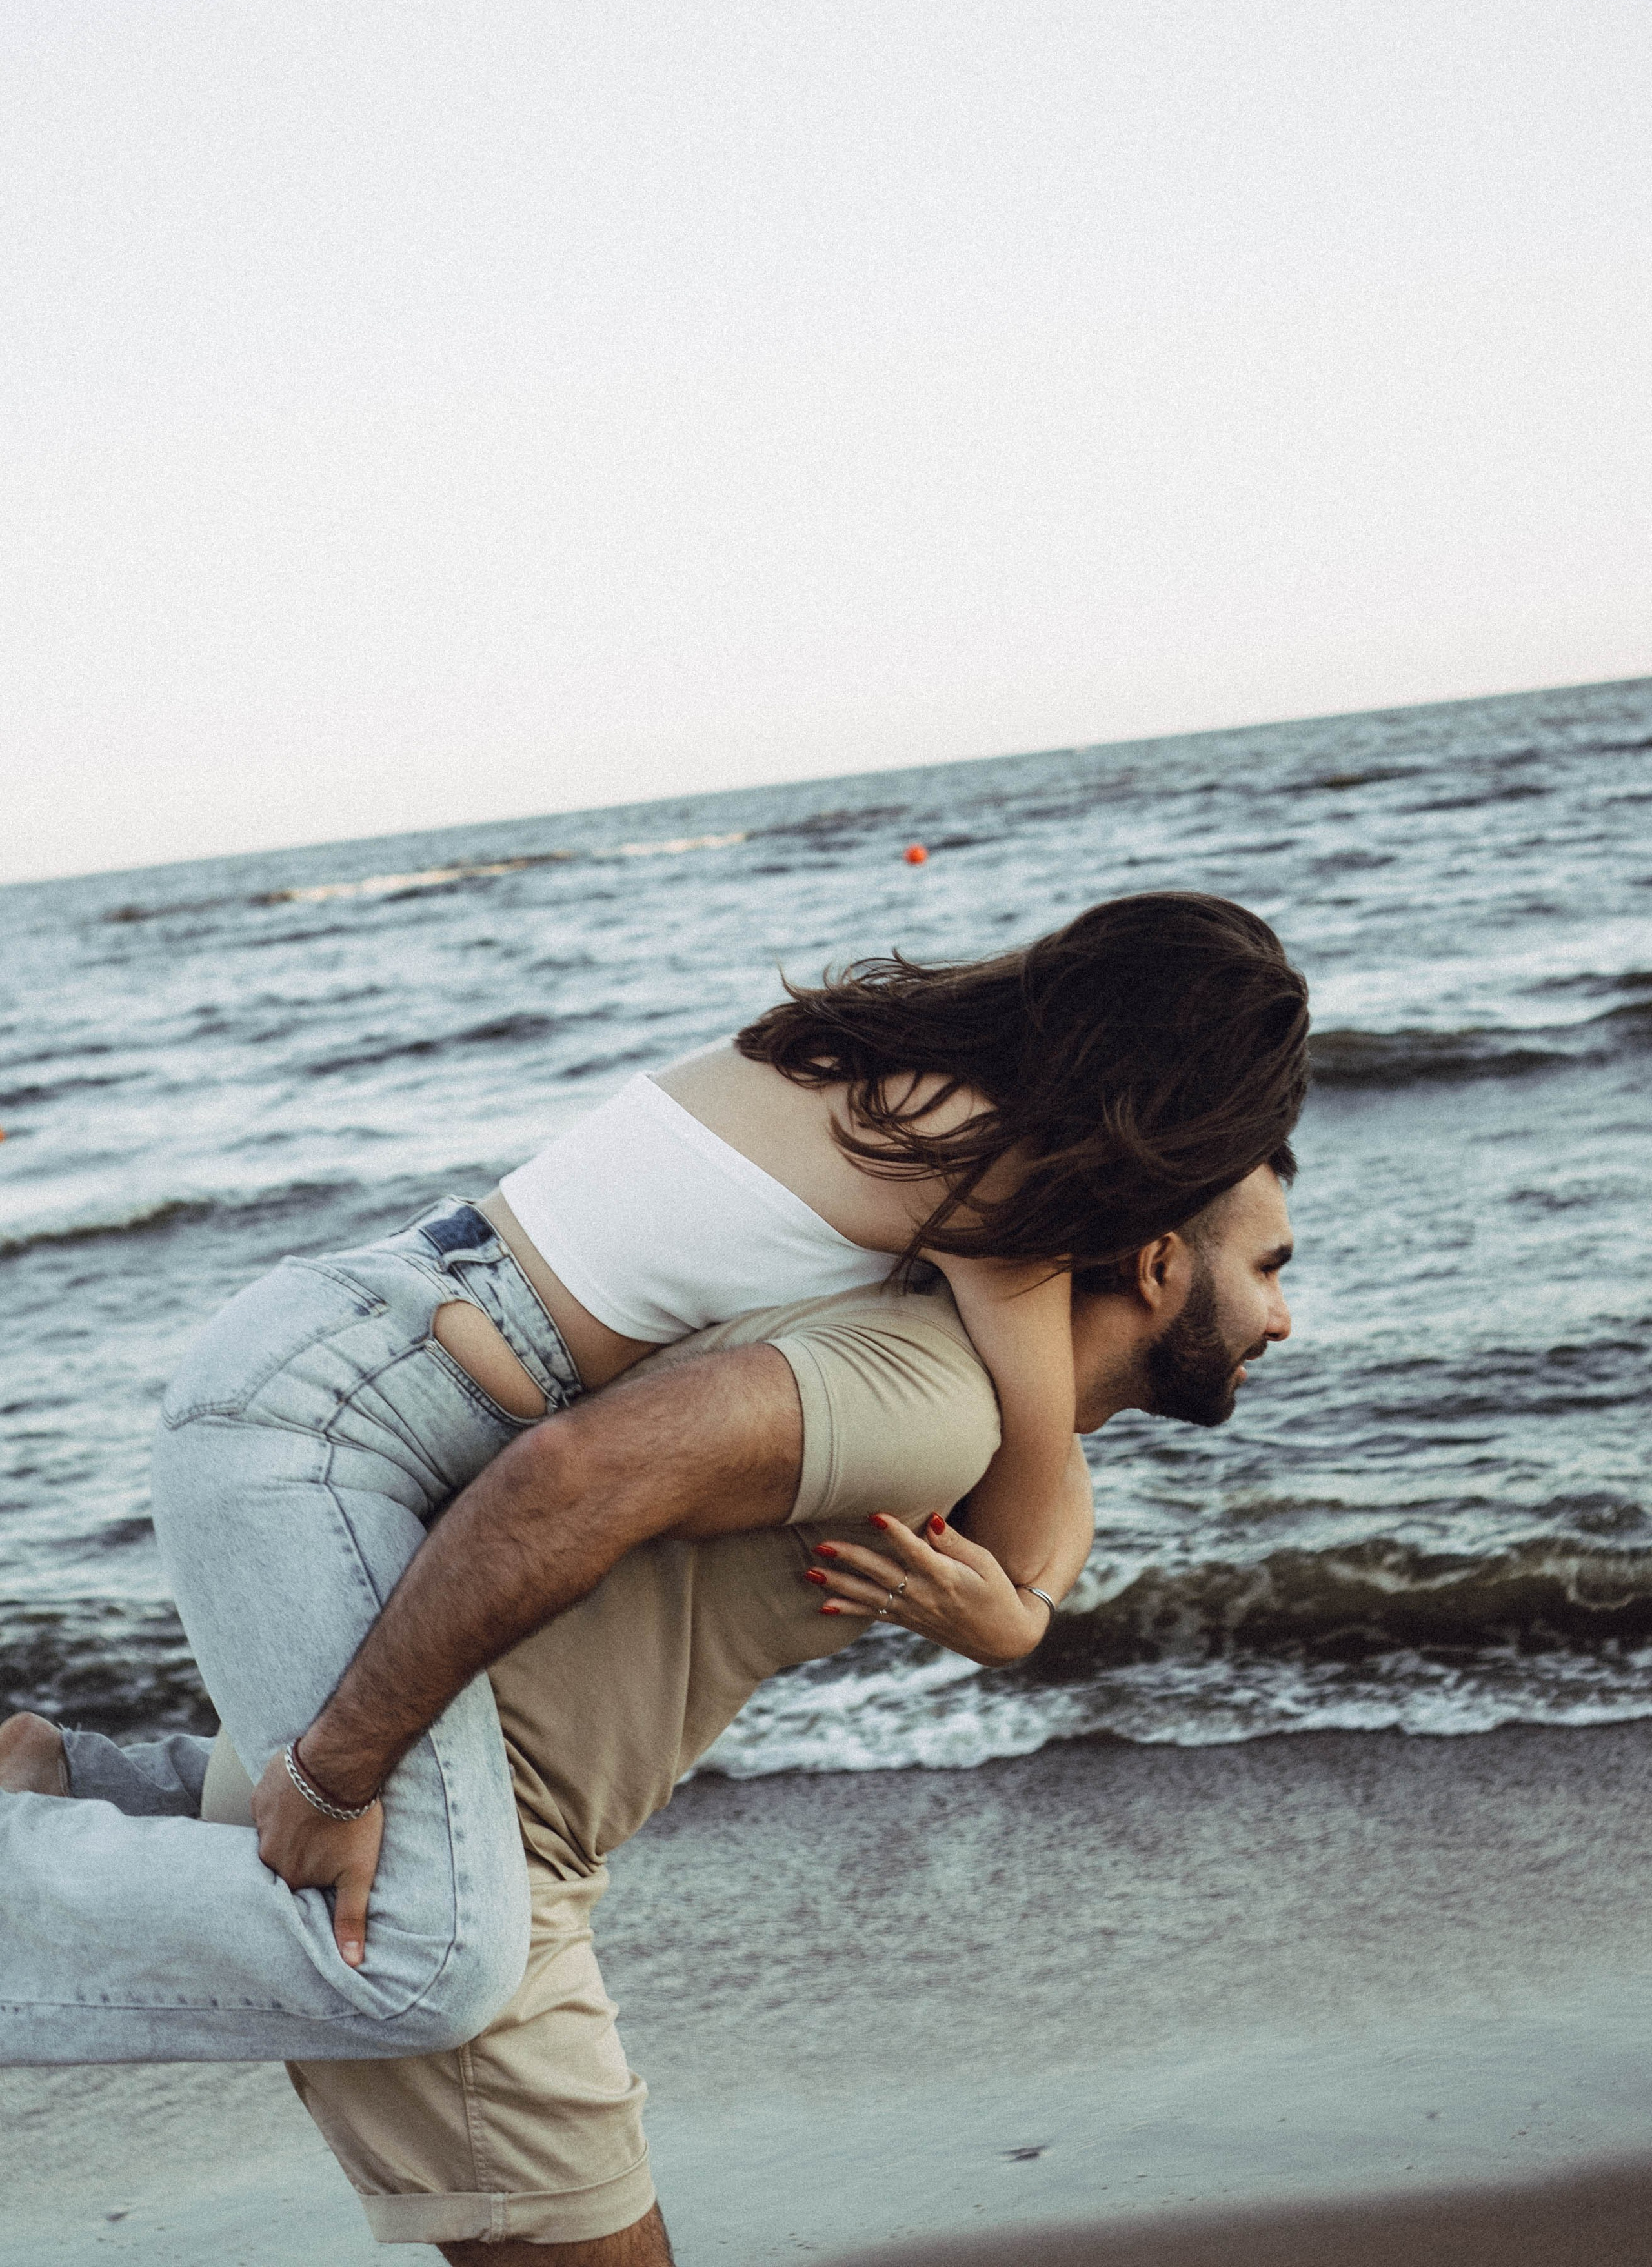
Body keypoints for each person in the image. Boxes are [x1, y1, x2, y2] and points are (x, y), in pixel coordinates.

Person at [0, 891, 1307, 2067]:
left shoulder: (902, 1078)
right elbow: (1036, 1488)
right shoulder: (987, 1160)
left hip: (347, 1364)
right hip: (322, 1424)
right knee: (419, 1963)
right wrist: (1017, 1619)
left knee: (394, 1875)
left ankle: (81, 1780)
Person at [4, 1156, 1296, 2261]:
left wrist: (1024, 1611)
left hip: (468, 1818)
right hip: (464, 1864)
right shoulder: (932, 1397)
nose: (1282, 1317)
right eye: (1270, 1267)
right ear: (1152, 1266)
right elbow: (566, 1477)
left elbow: (1042, 1477)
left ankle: (95, 1783)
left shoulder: (960, 1392)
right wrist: (347, 1769)